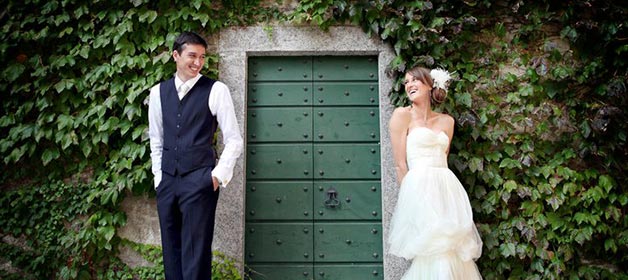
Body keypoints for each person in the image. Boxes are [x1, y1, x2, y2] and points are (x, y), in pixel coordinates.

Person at [148, 31, 243, 280]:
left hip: (200, 181)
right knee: (171, 250)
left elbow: (234, 139)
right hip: (168, 180)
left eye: (202, 57)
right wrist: (159, 177)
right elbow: (156, 140)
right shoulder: (158, 93)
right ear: (175, 55)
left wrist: (216, 177)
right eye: (192, 55)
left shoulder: (215, 90)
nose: (197, 62)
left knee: (197, 252)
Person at [387, 66, 482, 279]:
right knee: (434, 247)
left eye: (414, 80)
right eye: (406, 82)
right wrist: (409, 202)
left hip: (446, 189)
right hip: (419, 189)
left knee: (451, 249)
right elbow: (400, 164)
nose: (409, 85)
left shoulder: (447, 121)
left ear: (430, 85)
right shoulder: (402, 116)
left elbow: (443, 157)